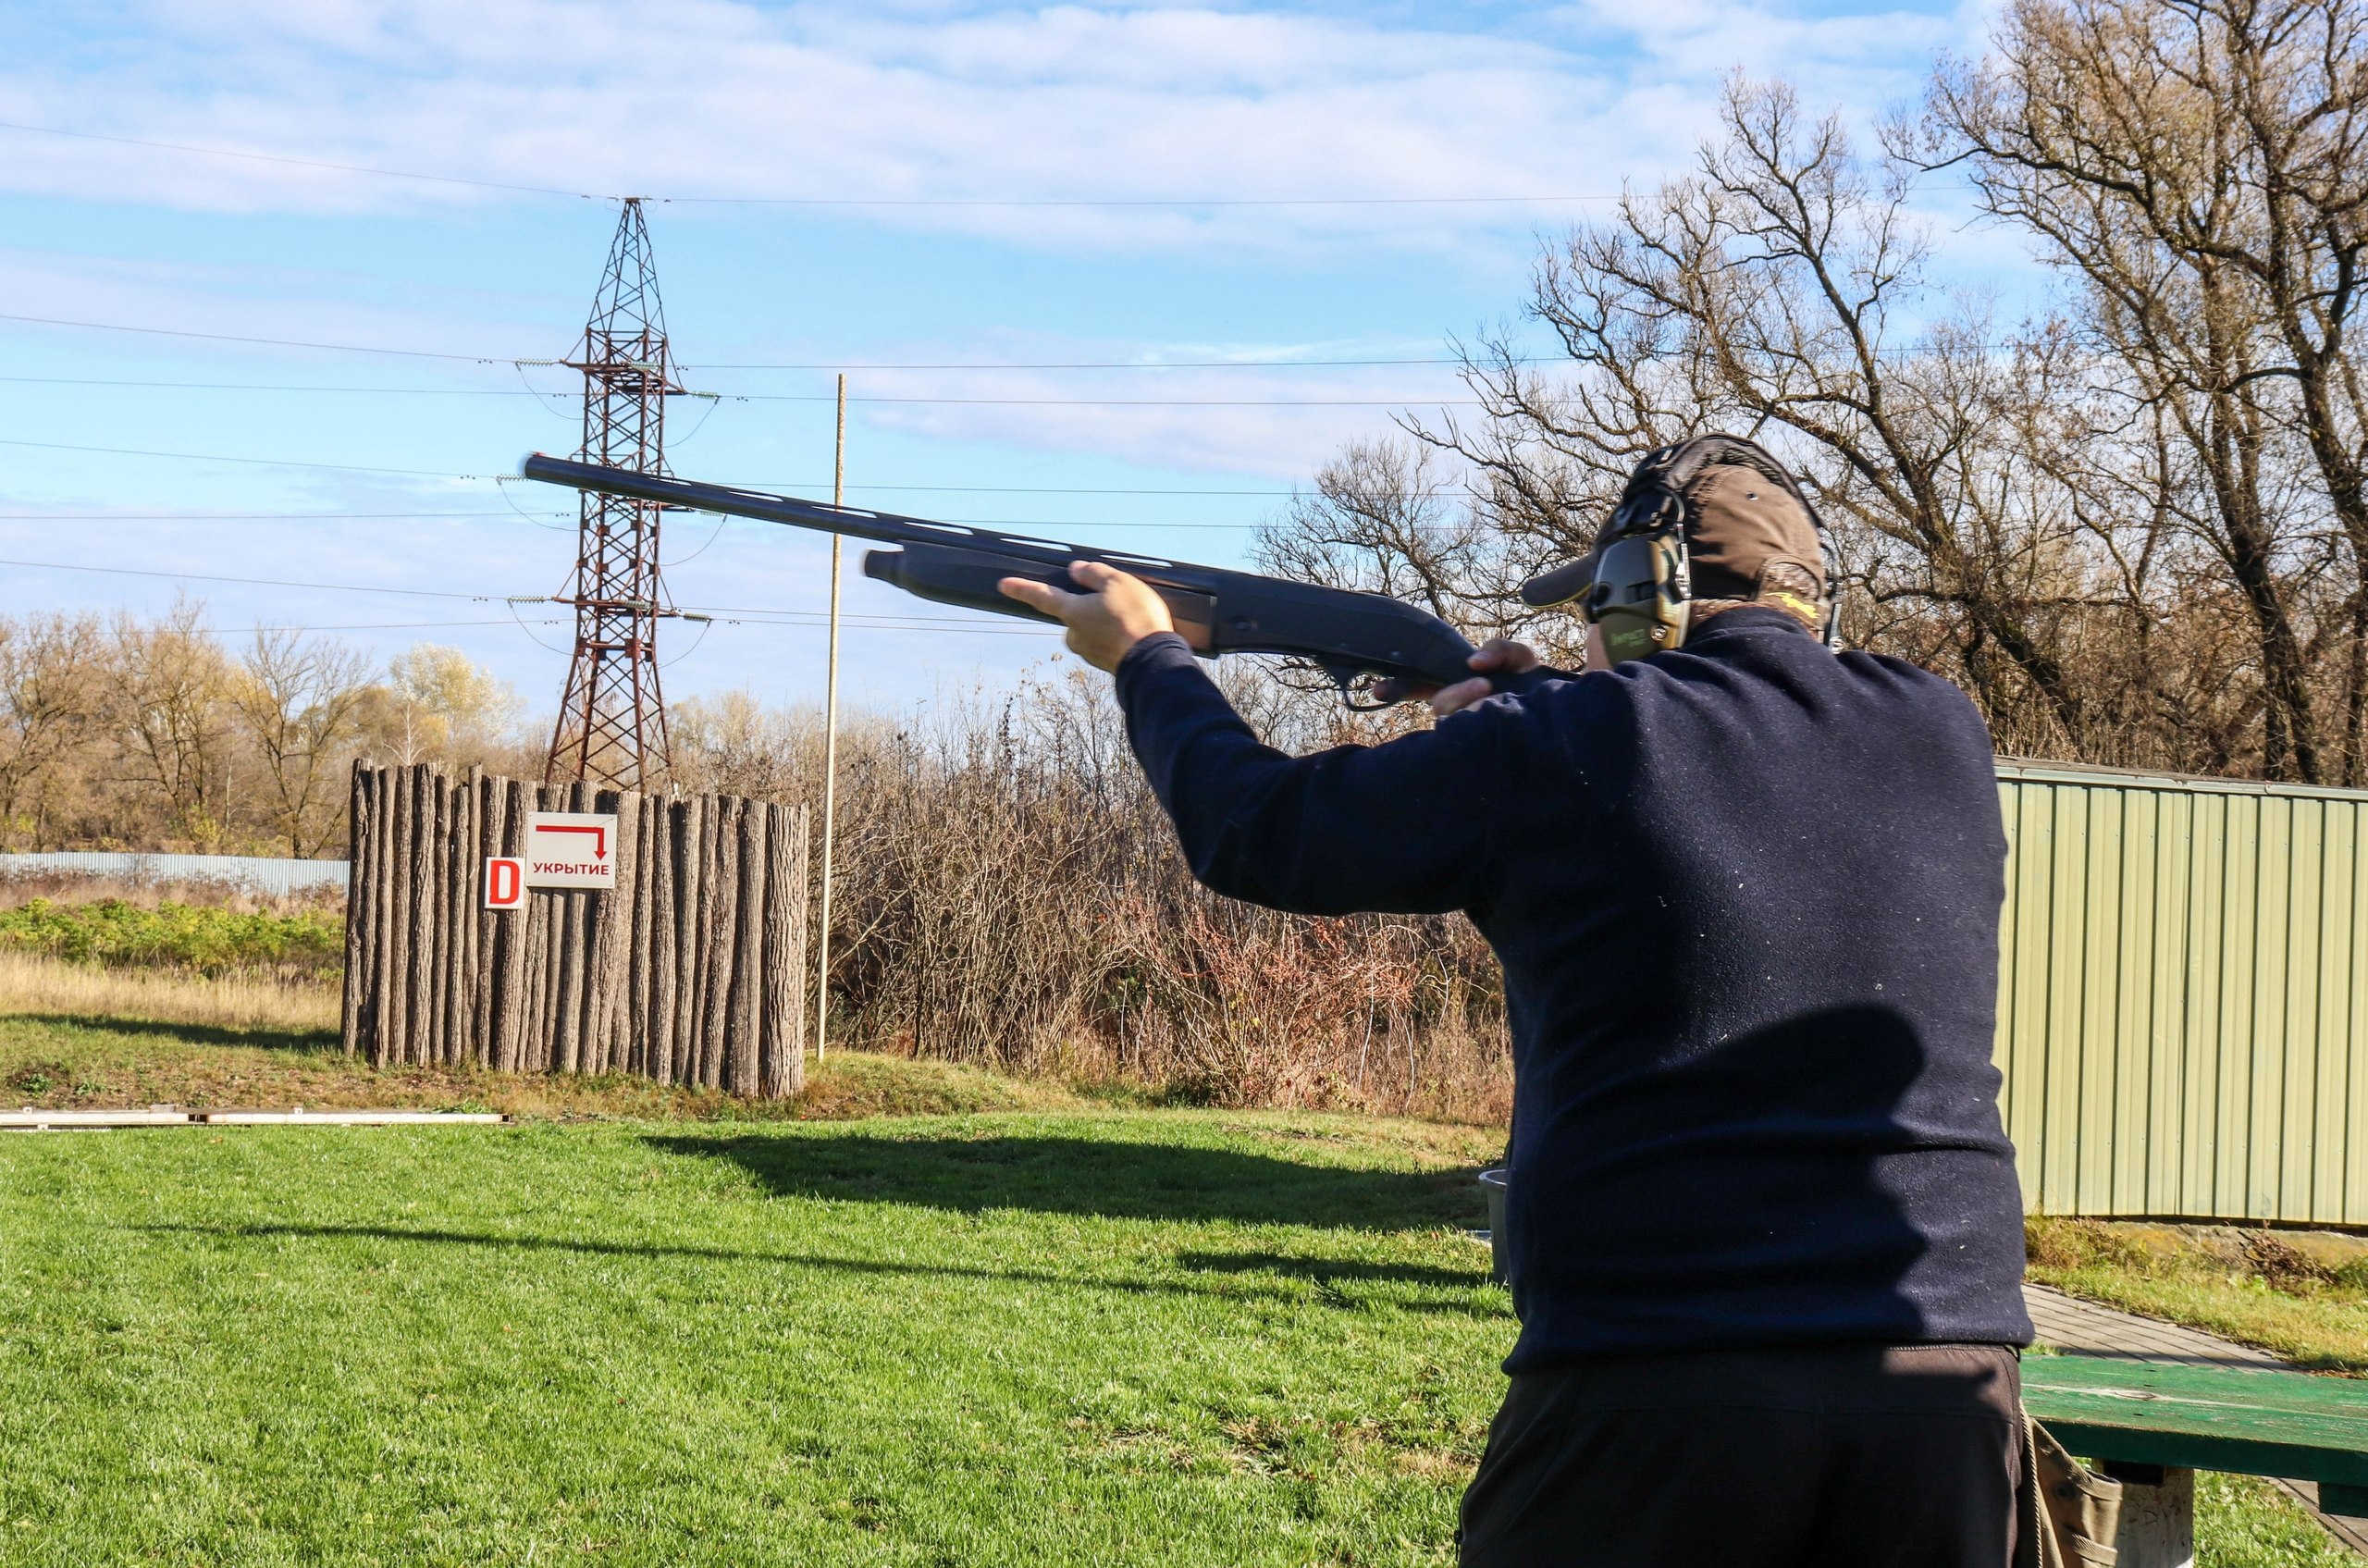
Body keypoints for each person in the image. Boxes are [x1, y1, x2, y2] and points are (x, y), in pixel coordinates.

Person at [1001, 436, 2033, 1568]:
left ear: (1650, 598)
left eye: (1600, 607)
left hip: (1659, 1377)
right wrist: (1528, 706)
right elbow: (1715, 766)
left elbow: (1258, 831)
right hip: (1949, 1385)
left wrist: (1147, 659)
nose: (1587, 633)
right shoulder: (1938, 727)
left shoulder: (1553, 744)